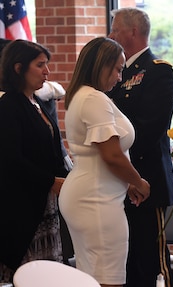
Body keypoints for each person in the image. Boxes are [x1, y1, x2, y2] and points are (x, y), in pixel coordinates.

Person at [59, 37, 151, 287]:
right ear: (102, 65)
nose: (120, 77)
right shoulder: (93, 99)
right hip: (96, 201)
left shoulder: (85, 95)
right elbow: (111, 155)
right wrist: (138, 181)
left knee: (92, 279)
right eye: (118, 69)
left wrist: (126, 181)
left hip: (92, 194)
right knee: (108, 280)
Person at [107, 8, 173, 287]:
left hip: (145, 176)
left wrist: (123, 162)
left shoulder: (157, 71)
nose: (111, 35)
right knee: (126, 259)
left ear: (132, 32)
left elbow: (150, 128)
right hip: (118, 179)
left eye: (115, 30)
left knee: (151, 261)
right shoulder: (114, 72)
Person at [0, 39, 68, 282]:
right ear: (18, 68)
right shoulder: (8, 106)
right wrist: (51, 181)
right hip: (22, 207)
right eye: (40, 65)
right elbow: (11, 159)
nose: (47, 72)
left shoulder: (37, 102)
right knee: (26, 273)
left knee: (48, 274)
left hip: (45, 203)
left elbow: (51, 152)